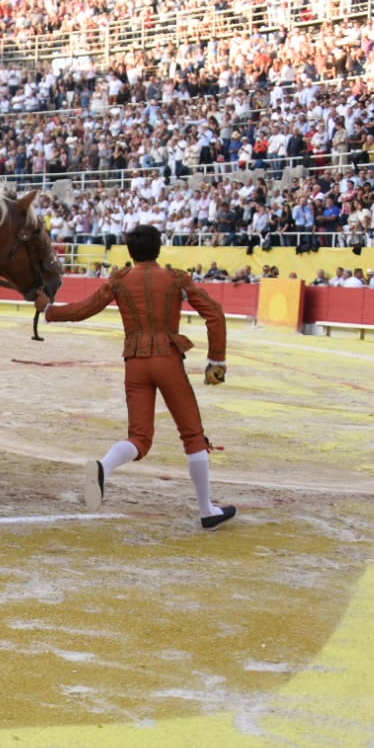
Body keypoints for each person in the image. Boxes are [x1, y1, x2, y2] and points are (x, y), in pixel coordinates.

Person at [41, 224, 235, 530]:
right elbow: (215, 313)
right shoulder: (175, 279)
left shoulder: (120, 281)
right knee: (192, 435)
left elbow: (83, 310)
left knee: (140, 437)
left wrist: (49, 311)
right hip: (168, 360)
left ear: (130, 250)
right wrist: (216, 360)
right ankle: (206, 510)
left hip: (134, 362)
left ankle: (104, 466)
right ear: (159, 248)